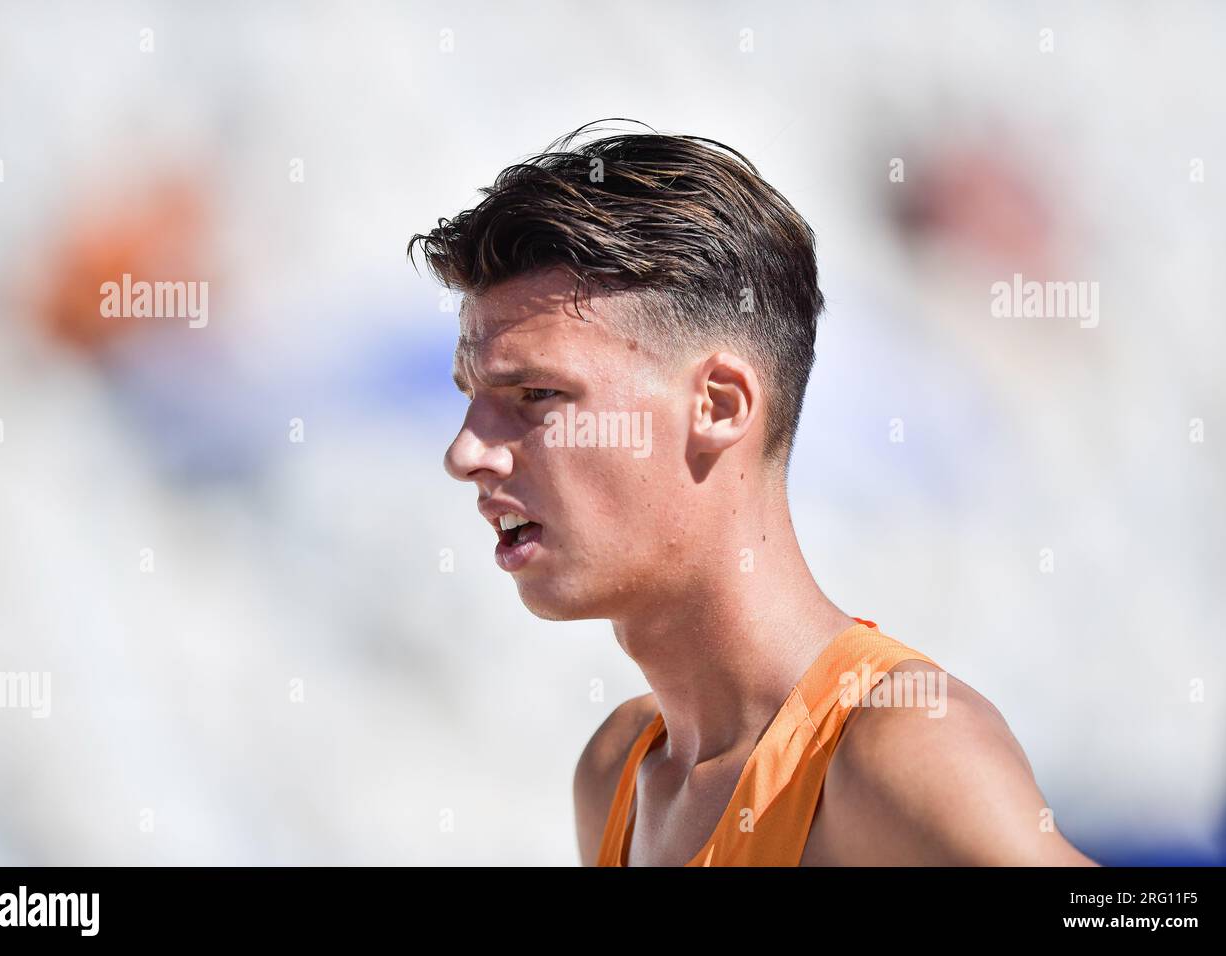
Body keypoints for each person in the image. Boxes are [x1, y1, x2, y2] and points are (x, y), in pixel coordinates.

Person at [409, 121, 1097, 866]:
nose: (464, 452)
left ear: (720, 406)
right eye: (471, 397)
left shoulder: (891, 749)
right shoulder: (616, 772)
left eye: (536, 393)